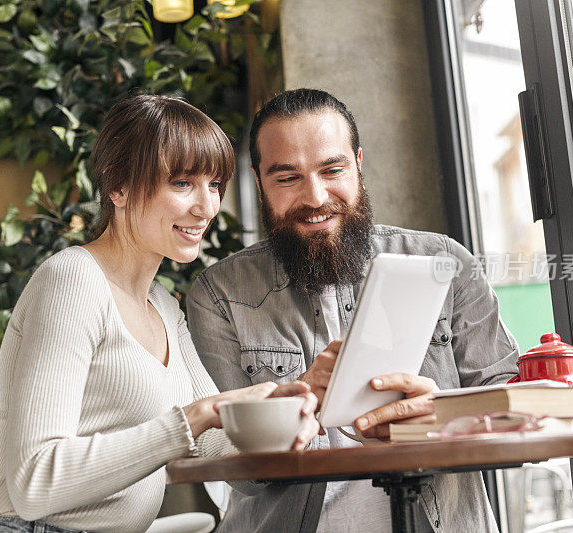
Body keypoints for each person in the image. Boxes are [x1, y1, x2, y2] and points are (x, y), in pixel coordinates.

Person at [0, 95, 319, 533]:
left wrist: (298, 402)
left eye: (215, 184)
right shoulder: (72, 280)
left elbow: (219, 445)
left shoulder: (162, 305)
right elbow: (35, 484)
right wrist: (197, 416)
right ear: (117, 186)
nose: (207, 207)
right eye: (182, 183)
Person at [186, 88, 520, 532]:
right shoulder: (218, 294)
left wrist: (439, 417)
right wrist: (292, 403)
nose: (316, 196)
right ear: (259, 181)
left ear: (358, 164)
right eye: (287, 178)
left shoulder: (445, 262)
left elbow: (516, 407)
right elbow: (230, 463)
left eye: (332, 169)